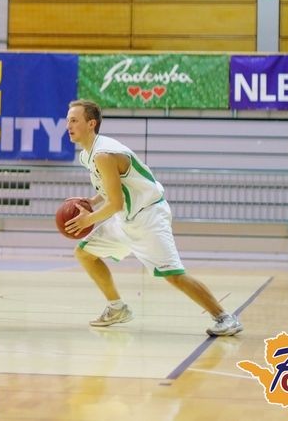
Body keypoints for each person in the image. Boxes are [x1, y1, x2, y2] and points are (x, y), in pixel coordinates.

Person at [64, 99, 244, 337]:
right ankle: (117, 307)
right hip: (127, 218)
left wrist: (88, 220)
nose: (68, 125)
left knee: (174, 275)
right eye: (68, 120)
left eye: (74, 120)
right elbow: (111, 187)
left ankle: (224, 317)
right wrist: (92, 201)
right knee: (84, 253)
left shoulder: (103, 154)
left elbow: (116, 203)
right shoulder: (87, 155)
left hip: (148, 218)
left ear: (91, 124)